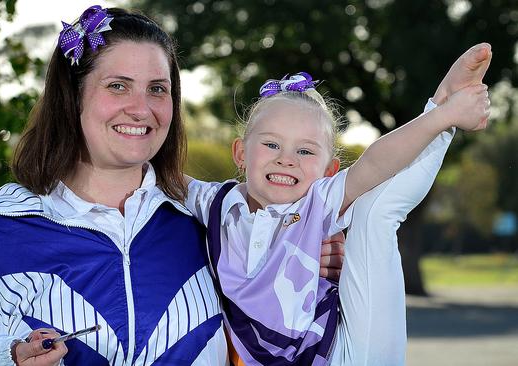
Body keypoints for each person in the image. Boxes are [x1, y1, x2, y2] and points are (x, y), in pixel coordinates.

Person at [0, 6, 345, 366]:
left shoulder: (216, 224)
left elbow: (287, 324)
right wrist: (5, 358)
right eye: (118, 86)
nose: (141, 109)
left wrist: (321, 255)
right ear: (72, 97)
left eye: (157, 89)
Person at [184, 48, 492, 364]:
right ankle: (444, 111)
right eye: (271, 144)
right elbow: (159, 175)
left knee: (378, 211)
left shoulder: (318, 203)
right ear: (240, 153)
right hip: (252, 355)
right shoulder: (216, 202)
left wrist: (442, 115)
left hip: (339, 355)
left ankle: (443, 111)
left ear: (328, 171)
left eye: (305, 152)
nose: (286, 159)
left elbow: (374, 163)